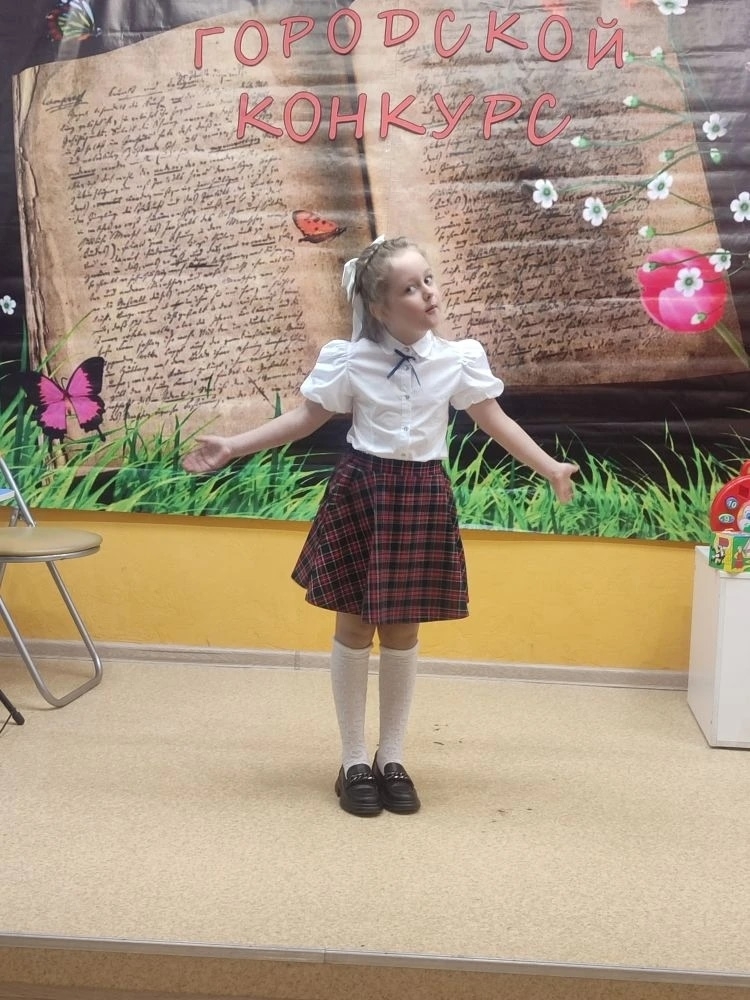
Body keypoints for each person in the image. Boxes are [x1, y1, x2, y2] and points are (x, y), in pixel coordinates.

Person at [183, 236, 578, 817]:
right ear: (380, 307)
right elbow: (306, 418)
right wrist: (234, 446)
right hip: (364, 492)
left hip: (422, 496)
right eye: (410, 289)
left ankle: (391, 756)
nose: (428, 294)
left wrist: (549, 467)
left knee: (402, 630)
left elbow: (493, 419)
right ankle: (352, 761)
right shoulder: (351, 359)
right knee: (355, 623)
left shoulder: (457, 358)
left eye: (429, 280)